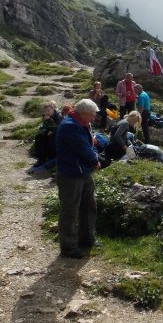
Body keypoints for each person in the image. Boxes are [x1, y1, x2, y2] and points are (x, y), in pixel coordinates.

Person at [55, 99, 100, 258]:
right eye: (92, 115)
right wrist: (95, 160)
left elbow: (88, 144)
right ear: (83, 113)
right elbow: (82, 148)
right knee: (70, 210)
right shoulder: (69, 126)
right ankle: (68, 247)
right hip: (71, 173)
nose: (93, 118)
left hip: (84, 171)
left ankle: (87, 239)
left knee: (89, 205)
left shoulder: (82, 123)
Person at [32, 103, 61, 167]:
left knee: (52, 137)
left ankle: (52, 159)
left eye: (48, 110)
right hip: (49, 132)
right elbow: (42, 126)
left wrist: (49, 120)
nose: (47, 112)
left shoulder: (59, 115)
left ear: (53, 109)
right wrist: (46, 130)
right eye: (45, 111)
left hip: (59, 134)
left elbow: (59, 128)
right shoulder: (45, 116)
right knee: (39, 136)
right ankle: (41, 158)